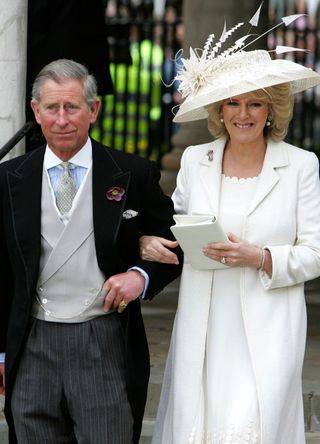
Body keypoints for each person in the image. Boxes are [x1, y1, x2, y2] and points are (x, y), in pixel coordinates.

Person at [139, 11, 320, 444]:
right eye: (233, 103)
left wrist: (260, 256)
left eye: (255, 102)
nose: (243, 114)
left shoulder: (301, 166)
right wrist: (152, 244)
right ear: (220, 109)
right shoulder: (194, 161)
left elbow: (315, 253)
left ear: (272, 109)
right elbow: (177, 232)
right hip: (204, 322)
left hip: (269, 325)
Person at [0, 58, 182, 444]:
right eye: (52, 108)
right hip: (31, 340)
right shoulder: (9, 179)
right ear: (36, 110)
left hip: (103, 339)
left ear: (93, 110)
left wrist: (141, 276)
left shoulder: (132, 173)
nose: (62, 119)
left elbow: (176, 238)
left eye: (72, 107)